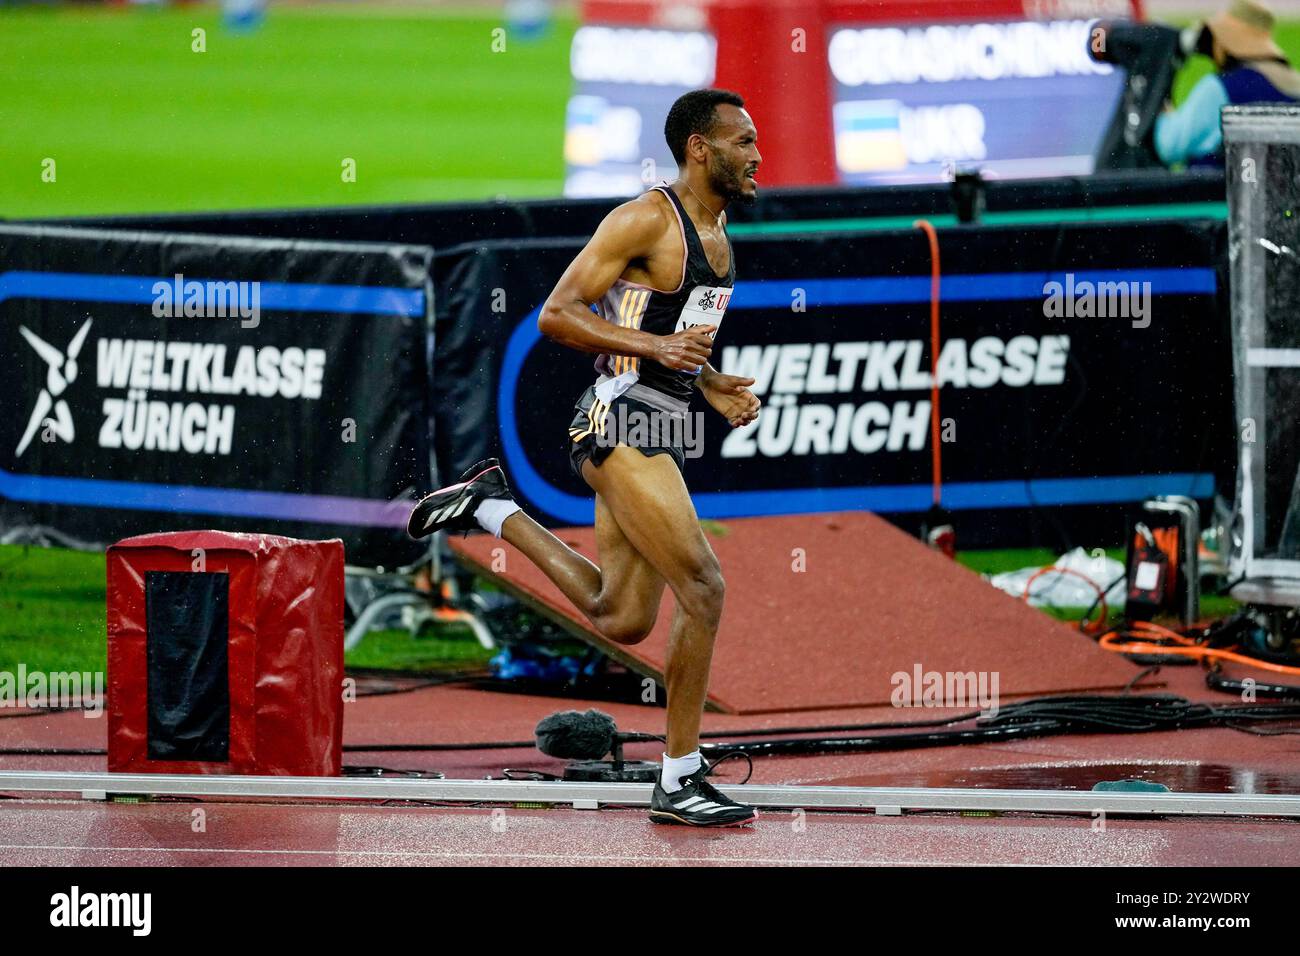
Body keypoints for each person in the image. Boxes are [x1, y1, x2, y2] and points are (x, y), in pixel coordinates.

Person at [408, 89, 764, 827]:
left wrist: (711, 381)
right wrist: (655, 351)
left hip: (662, 419)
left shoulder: (720, 223)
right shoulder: (645, 218)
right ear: (699, 149)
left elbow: (668, 333)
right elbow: (557, 314)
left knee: (624, 615)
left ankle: (492, 506)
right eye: (743, 142)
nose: (759, 155)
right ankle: (681, 776)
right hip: (617, 419)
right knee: (704, 585)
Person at [1156, 0, 1300, 167]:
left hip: (1220, 191)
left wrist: (1164, 111)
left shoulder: (1220, 88)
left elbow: (1168, 145)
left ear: (1222, 44)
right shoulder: (1294, 84)